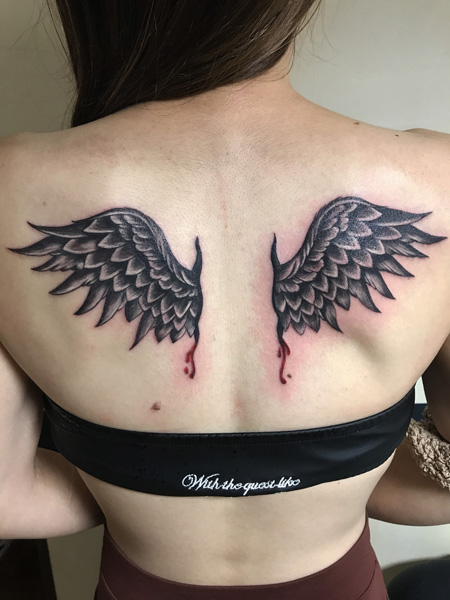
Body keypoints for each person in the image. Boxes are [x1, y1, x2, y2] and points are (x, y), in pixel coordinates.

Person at [0, 1, 449, 599]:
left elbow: (4, 497)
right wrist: (332, 484)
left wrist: (137, 487)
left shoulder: (12, 185)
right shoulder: (438, 178)